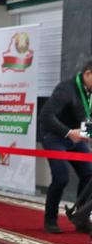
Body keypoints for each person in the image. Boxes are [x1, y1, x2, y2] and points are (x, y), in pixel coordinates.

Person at [38, 59, 92, 233]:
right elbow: (45, 116)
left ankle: (81, 217)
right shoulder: (66, 89)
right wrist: (69, 132)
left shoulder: (89, 92)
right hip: (54, 136)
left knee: (89, 173)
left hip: (75, 139)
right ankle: (50, 219)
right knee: (61, 177)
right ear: (88, 74)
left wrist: (87, 134)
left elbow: (86, 115)